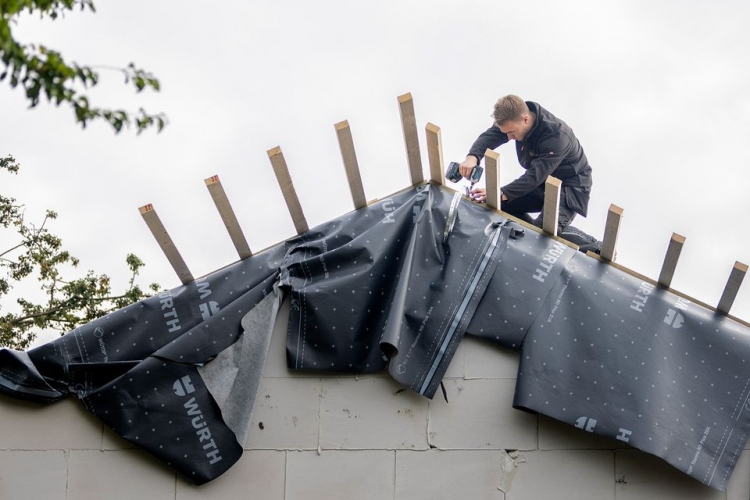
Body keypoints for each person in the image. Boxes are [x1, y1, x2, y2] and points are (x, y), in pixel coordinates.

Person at [460, 95, 593, 234]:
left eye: (511, 132)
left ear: (525, 119)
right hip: (541, 183)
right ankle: (527, 229)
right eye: (505, 133)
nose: (510, 137)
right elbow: (490, 137)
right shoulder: (513, 119)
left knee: (543, 233)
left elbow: (535, 175)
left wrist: (499, 193)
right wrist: (472, 157)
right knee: (499, 205)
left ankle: (591, 246)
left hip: (569, 187)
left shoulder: (557, 136)